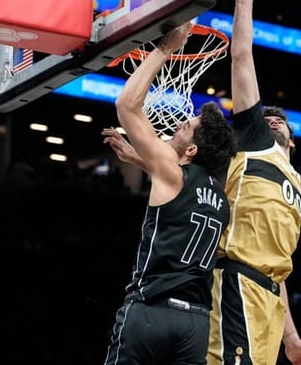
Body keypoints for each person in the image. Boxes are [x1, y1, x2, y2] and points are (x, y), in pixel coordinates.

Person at [100, 21, 236, 365]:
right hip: (195, 323)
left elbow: (127, 105)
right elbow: (180, 192)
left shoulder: (173, 172)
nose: (178, 123)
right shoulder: (221, 200)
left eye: (186, 127)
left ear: (191, 152)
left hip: (151, 313)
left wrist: (165, 50)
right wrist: (140, 159)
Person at [206, 0, 301, 364]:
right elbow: (241, 58)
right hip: (236, 282)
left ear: (293, 138)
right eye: (266, 117)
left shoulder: (297, 187)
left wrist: (291, 337)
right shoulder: (254, 140)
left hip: (269, 299)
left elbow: (279, 266)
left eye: (279, 120)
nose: (271, 120)